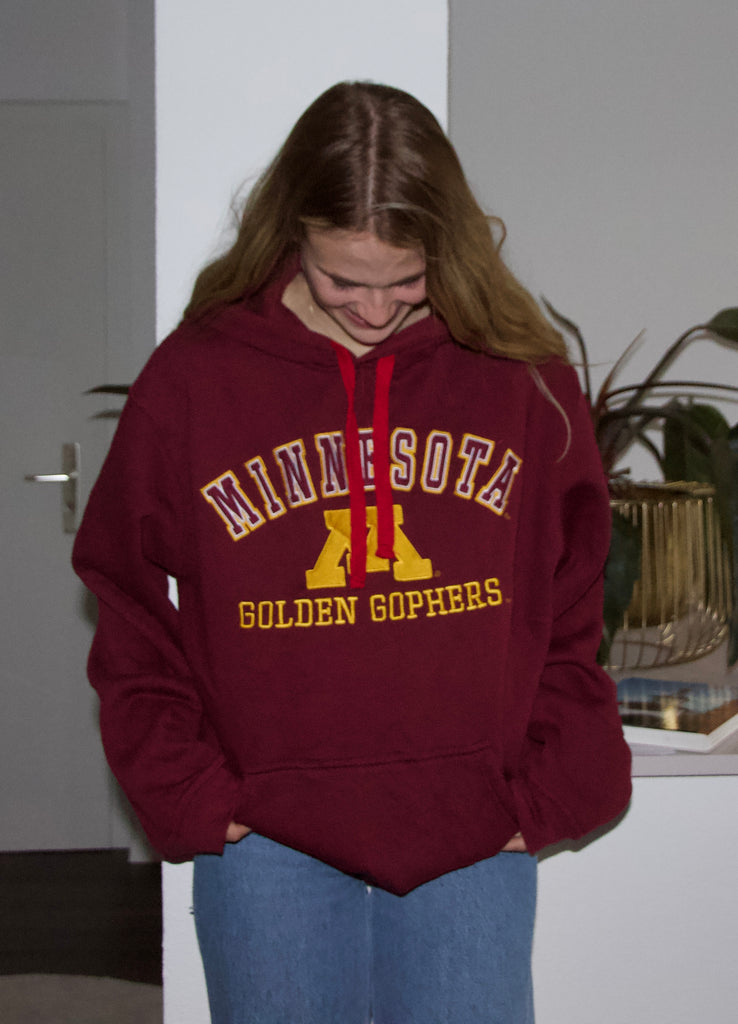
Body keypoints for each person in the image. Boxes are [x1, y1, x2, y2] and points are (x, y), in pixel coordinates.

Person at [73, 81, 632, 1023]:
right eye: (343, 280)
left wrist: (552, 782)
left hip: (471, 830)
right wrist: (187, 786)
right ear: (293, 233)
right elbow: (124, 592)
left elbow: (574, 591)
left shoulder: (519, 376)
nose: (374, 309)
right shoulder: (198, 376)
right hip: (267, 842)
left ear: (449, 249)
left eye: (407, 281)